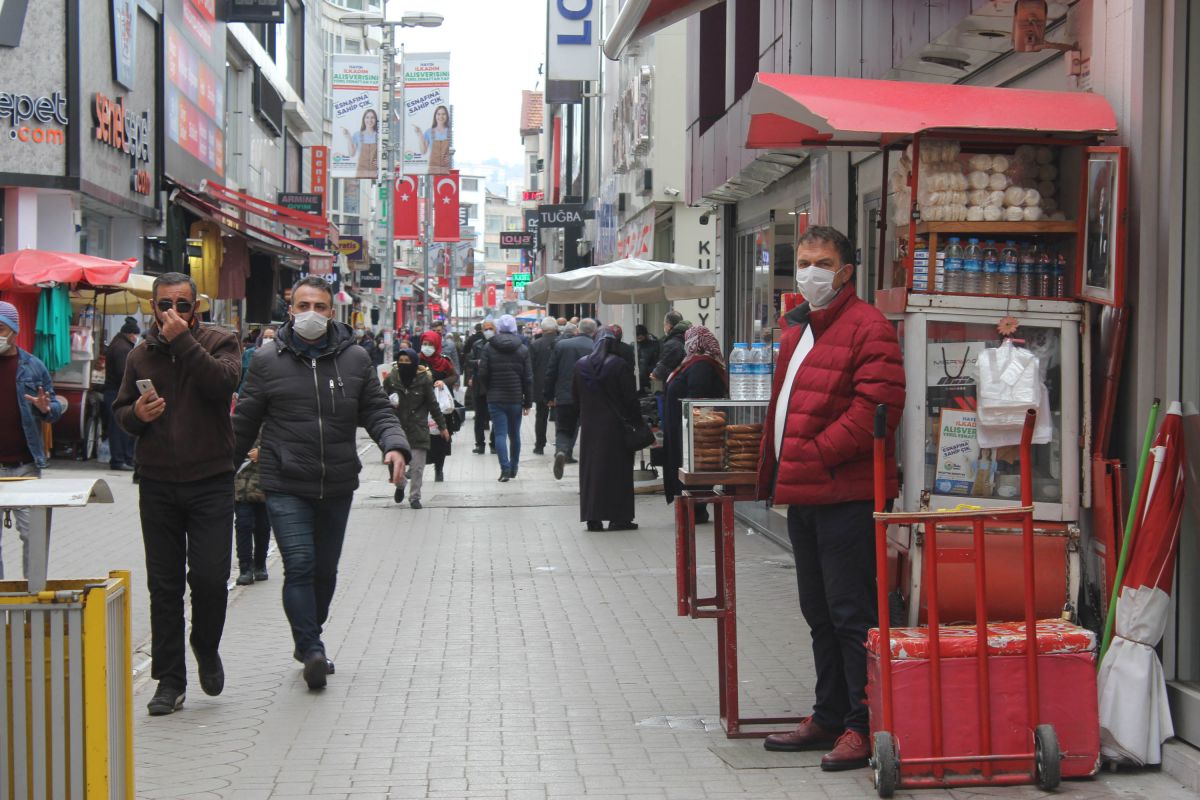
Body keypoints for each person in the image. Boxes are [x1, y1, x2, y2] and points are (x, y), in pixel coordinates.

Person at [756, 226, 904, 771]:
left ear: (845, 271)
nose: (810, 272)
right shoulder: (799, 331)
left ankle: (863, 725)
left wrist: (815, 454)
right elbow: (784, 406)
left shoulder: (869, 327)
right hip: (804, 495)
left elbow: (877, 409)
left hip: (845, 493)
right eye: (804, 261)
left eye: (822, 262)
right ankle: (829, 713)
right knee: (817, 611)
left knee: (850, 613)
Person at [233, 276, 409, 690]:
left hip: (337, 481)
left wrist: (394, 445)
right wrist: (221, 469)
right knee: (300, 565)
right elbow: (244, 422)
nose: (311, 313)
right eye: (303, 305)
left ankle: (308, 632)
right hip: (284, 480)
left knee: (325, 572)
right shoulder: (266, 360)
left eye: (321, 306)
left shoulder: (354, 360)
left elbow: (378, 410)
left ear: (334, 312)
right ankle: (312, 649)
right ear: (289, 310)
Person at [113, 273, 242, 716]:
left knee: (209, 579)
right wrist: (137, 414)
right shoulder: (140, 354)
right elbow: (122, 412)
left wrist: (185, 341)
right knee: (164, 585)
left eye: (182, 305)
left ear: (197, 307)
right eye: (164, 304)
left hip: (210, 480)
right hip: (158, 481)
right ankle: (169, 680)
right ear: (152, 306)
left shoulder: (222, 341)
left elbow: (222, 384)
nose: (172, 312)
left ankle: (206, 645)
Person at [0, 301, 66, 580]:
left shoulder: (33, 367)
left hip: (26, 467)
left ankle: (32, 596)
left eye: (1, 328)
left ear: (14, 330)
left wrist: (45, 408)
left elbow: (53, 409)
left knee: (32, 536)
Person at [573, 327, 640, 531]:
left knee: (591, 471)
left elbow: (575, 397)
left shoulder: (580, 365)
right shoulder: (619, 365)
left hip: (590, 428)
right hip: (616, 428)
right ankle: (619, 518)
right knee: (617, 473)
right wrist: (637, 424)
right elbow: (630, 400)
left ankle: (592, 517)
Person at [662, 326, 728, 524]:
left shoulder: (701, 365)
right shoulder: (695, 363)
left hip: (693, 431)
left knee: (693, 467)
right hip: (684, 428)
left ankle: (696, 509)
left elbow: (696, 398)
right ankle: (691, 507)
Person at [384, 348, 448, 509]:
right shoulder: (392, 379)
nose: (404, 364)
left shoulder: (424, 380)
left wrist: (442, 427)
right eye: (401, 361)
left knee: (417, 467)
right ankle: (400, 485)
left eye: (408, 361)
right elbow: (381, 400)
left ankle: (415, 497)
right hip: (397, 428)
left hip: (418, 427)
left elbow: (433, 404)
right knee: (395, 468)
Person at [477, 314, 532, 481]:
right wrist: (528, 401)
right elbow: (528, 378)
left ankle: (505, 469)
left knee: (500, 434)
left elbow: (483, 373)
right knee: (514, 434)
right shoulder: (523, 349)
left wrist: (489, 389)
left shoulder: (488, 347)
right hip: (515, 398)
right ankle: (514, 467)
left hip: (495, 398)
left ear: (498, 327)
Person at [546, 318, 596, 479]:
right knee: (589, 430)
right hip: (588, 397)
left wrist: (548, 395)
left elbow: (551, 372)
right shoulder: (595, 347)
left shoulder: (561, 345)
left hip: (564, 395)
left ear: (577, 330)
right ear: (593, 332)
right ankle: (589, 464)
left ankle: (561, 450)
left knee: (564, 429)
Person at [419, 330, 459, 482]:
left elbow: (454, 375)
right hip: (421, 406)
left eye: (430, 345)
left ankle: (439, 470)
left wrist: (444, 382)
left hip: (440, 407)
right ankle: (418, 466)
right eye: (424, 344)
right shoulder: (416, 360)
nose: (427, 347)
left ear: (436, 345)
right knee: (422, 437)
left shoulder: (444, 361)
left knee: (441, 439)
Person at [103, 316, 139, 470]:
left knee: (119, 427)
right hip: (117, 392)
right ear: (130, 334)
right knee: (119, 427)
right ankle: (119, 460)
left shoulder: (118, 344)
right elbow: (123, 374)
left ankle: (123, 458)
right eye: (135, 335)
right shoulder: (123, 348)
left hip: (114, 391)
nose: (136, 338)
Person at [233, 436, 270, 586]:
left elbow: (283, 444)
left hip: (264, 487)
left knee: (263, 527)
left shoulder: (270, 422)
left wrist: (262, 453)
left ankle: (260, 564)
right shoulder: (237, 423)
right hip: (241, 488)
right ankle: (245, 568)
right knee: (243, 525)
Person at [528, 316, 559, 455]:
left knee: (541, 416)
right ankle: (561, 445)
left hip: (541, 386)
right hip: (559, 386)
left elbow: (530, 368)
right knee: (560, 416)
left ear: (543, 329)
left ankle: (539, 445)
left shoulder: (535, 345)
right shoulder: (562, 343)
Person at [467, 320, 495, 454]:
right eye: (486, 329)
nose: (488, 331)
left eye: (490, 328)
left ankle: (494, 444)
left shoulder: (498, 344)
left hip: (494, 385)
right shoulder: (477, 345)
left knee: (495, 416)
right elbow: (469, 361)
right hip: (479, 384)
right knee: (479, 416)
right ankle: (480, 444)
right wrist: (478, 363)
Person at [651, 310, 692, 386]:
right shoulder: (689, 339)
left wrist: (656, 373)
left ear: (669, 325)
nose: (664, 327)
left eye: (664, 324)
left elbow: (659, 373)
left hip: (675, 386)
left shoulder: (672, 344)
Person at [341, 108, 379, 179]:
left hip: (375, 173)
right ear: (364, 119)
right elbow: (351, 154)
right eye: (367, 117)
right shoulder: (357, 135)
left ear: (375, 120)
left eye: (372, 118)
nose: (370, 120)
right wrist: (348, 137)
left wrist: (380, 162)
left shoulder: (379, 135)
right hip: (361, 172)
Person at [413, 105, 451, 173]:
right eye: (438, 114)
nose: (441, 117)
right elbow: (423, 151)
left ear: (447, 116)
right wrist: (419, 134)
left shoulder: (450, 131)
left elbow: (453, 150)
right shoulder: (429, 132)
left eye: (443, 114)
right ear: (435, 116)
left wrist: (449, 156)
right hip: (432, 170)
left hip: (446, 170)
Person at [239, 326, 275, 396]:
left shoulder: (280, 355)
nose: (268, 339)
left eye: (271, 337)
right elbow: (241, 375)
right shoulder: (249, 353)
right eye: (265, 337)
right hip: (246, 394)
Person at [634, 324, 661, 391]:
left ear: (645, 335)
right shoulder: (633, 346)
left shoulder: (654, 346)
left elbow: (657, 362)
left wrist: (648, 370)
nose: (638, 339)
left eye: (640, 337)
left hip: (649, 380)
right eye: (637, 337)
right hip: (636, 379)